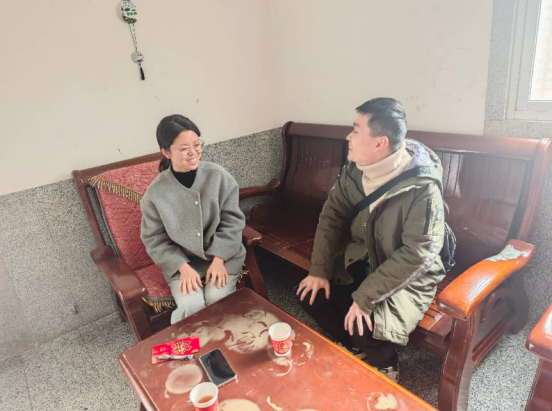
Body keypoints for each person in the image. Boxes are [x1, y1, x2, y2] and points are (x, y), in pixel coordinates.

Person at [296, 98, 446, 381]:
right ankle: (355, 347)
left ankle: (385, 364)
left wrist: (364, 298)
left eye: (356, 130)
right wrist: (318, 271)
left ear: (380, 143)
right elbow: (331, 217)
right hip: (364, 255)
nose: (348, 137)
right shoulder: (355, 170)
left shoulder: (422, 188)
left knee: (364, 323)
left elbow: (418, 254)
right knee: (310, 295)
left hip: (407, 272)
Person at [141, 114, 246, 324]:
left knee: (218, 297)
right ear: (166, 152)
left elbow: (233, 221)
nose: (193, 153)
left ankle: (226, 339)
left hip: (223, 256)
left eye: (197, 145)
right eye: (183, 148)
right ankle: (188, 342)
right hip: (182, 263)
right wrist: (182, 267)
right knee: (191, 305)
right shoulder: (155, 194)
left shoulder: (219, 176)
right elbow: (154, 239)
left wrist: (219, 259)